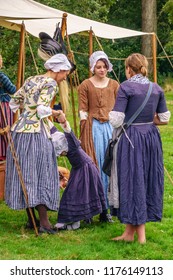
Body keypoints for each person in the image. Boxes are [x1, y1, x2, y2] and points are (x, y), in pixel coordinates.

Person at [5, 53, 72, 234]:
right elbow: (42, 109)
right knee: (41, 173)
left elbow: (13, 102)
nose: (66, 76)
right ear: (59, 70)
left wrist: (27, 111)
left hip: (19, 132)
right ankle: (44, 223)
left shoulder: (32, 79)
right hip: (36, 134)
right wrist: (56, 113)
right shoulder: (51, 83)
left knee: (25, 173)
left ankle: (31, 220)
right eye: (66, 72)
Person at [109, 53, 171, 243]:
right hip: (151, 138)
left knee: (132, 180)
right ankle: (130, 233)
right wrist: (146, 120)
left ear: (128, 68)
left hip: (131, 138)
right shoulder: (156, 87)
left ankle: (139, 236)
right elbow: (164, 118)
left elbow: (116, 120)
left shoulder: (126, 87)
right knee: (145, 179)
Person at [78, 51, 119, 223]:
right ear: (93, 67)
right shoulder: (85, 85)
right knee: (93, 165)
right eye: (98, 67)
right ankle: (90, 209)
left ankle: (106, 209)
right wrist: (83, 129)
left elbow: (119, 108)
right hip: (93, 127)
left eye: (104, 67)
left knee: (110, 165)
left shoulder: (115, 85)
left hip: (110, 127)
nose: (102, 70)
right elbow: (82, 109)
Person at [49, 119, 107, 230]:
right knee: (81, 192)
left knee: (73, 194)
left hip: (86, 168)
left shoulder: (72, 143)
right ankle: (77, 219)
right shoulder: (59, 138)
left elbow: (68, 130)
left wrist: (63, 120)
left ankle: (72, 220)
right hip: (79, 169)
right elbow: (52, 129)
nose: (61, 155)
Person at [0, 54, 16, 161]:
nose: (1, 61)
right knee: (6, 130)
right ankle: (6, 154)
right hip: (3, 106)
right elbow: (12, 89)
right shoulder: (1, 76)